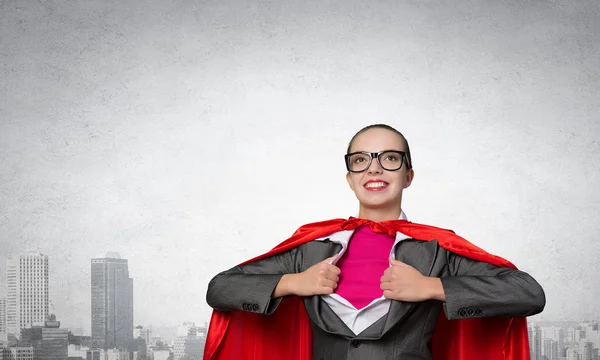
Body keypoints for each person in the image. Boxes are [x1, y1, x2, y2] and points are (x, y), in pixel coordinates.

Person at [204, 124, 545, 360]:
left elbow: (528, 293)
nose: (374, 169)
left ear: (407, 176)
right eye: (361, 160)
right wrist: (293, 282)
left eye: (390, 158)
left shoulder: (438, 249)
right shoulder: (312, 246)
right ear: (350, 179)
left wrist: (431, 287)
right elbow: (220, 288)